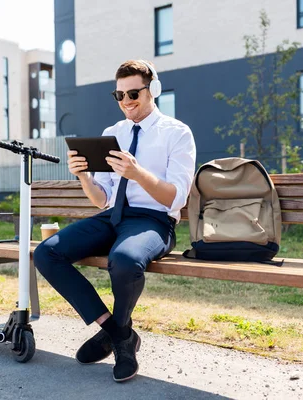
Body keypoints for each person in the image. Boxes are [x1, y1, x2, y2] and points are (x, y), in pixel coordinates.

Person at [33, 60, 196, 382]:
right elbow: (102, 199)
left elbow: (176, 198)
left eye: (133, 93)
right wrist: (83, 176)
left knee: (124, 260)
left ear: (153, 91)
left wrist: (138, 173)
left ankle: (115, 337)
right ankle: (120, 334)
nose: (126, 102)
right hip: (111, 216)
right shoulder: (113, 133)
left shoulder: (176, 133)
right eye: (118, 95)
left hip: (153, 220)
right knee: (46, 253)